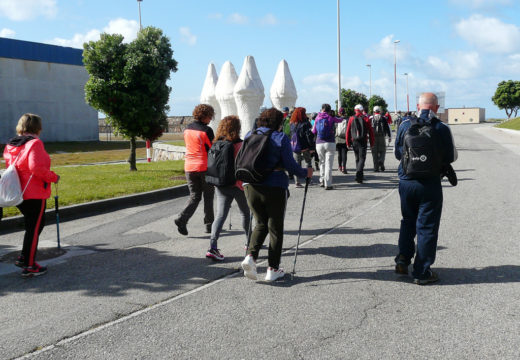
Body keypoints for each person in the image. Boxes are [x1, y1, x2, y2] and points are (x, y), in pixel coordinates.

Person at [240, 108, 313, 282]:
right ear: (279, 123)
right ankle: (273, 268)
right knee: (275, 227)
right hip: (274, 185)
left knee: (260, 223)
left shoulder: (250, 134)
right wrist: (306, 172)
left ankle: (250, 256)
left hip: (250, 184)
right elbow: (291, 165)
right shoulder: (281, 138)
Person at [394, 92, 457, 285]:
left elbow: (398, 153)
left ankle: (403, 259)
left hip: (406, 182)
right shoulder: (441, 127)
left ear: (418, 105)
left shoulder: (405, 125)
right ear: (436, 108)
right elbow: (451, 156)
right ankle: (421, 271)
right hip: (430, 183)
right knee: (427, 226)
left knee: (408, 220)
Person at [3, 113, 60, 277]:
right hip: (34, 192)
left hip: (17, 191)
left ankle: (24, 257)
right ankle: (29, 265)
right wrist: (53, 177)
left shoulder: (11, 145)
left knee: (32, 226)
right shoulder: (35, 143)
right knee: (34, 228)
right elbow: (37, 168)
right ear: (38, 127)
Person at [206, 116, 250, 261]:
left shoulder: (216, 143)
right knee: (245, 213)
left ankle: (212, 247)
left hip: (221, 184)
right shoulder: (240, 144)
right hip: (238, 184)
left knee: (220, 215)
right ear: (237, 128)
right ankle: (249, 243)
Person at [174, 104, 215, 236]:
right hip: (204, 166)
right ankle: (209, 225)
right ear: (206, 116)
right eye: (210, 116)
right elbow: (212, 149)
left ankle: (182, 218)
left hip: (189, 166)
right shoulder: (207, 130)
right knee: (208, 196)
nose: (211, 119)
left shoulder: (187, 129)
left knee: (194, 196)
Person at [312, 104, 343, 190]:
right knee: (329, 164)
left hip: (319, 143)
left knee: (322, 162)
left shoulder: (317, 118)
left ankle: (321, 180)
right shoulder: (331, 118)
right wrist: (342, 116)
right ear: (329, 110)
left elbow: (313, 131)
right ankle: (328, 184)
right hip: (330, 143)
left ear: (322, 109)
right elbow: (340, 120)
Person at [346, 104, 375, 183]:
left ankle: (359, 176)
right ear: (362, 110)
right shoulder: (366, 119)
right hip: (363, 140)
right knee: (362, 158)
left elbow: (348, 132)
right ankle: (359, 175)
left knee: (357, 158)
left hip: (354, 141)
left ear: (355, 110)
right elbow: (371, 132)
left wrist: (348, 143)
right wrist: (372, 142)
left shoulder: (351, 118)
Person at [289, 107, 315, 187]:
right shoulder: (306, 123)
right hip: (305, 147)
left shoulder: (292, 123)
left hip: (295, 147)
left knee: (297, 164)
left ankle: (297, 182)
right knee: (308, 163)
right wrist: (312, 147)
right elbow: (309, 136)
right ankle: (308, 180)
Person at [370, 106, 391, 172]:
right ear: (380, 111)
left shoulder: (371, 118)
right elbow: (387, 128)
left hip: (373, 137)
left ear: (374, 111)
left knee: (374, 152)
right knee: (382, 150)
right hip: (382, 136)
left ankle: (376, 168)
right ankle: (381, 161)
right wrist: (389, 136)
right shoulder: (383, 118)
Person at [335, 107, 348, 174]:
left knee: (339, 153)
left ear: (339, 113)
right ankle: (344, 167)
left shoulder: (337, 120)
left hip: (338, 138)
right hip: (345, 138)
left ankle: (339, 166)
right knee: (344, 153)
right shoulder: (347, 119)